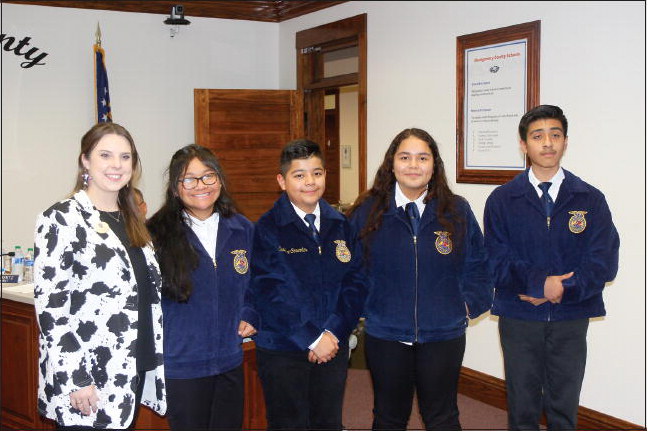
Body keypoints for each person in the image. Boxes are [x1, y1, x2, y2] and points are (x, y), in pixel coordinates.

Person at [483, 105, 620, 430]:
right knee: (523, 405)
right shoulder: (502, 200)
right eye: (538, 136)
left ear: (565, 142)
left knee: (564, 405)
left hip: (571, 317)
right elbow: (494, 260)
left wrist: (561, 290)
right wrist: (539, 286)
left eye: (555, 135)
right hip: (520, 318)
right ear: (523, 144)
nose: (547, 143)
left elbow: (604, 261)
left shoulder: (589, 199)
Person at [347, 127, 493, 430]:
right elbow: (351, 269)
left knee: (442, 415)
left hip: (443, 334)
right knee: (388, 415)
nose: (414, 165)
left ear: (434, 165)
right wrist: (365, 307)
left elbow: (479, 263)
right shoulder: (367, 211)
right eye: (405, 157)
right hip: (386, 333)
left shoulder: (456, 210)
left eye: (422, 158)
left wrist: (466, 305)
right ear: (391, 163)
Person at [33, 122, 166, 429]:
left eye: (125, 157)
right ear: (85, 160)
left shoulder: (132, 219)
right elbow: (52, 311)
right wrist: (76, 377)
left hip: (131, 366)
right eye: (105, 155)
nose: (116, 165)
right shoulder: (61, 219)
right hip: (88, 378)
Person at [250, 139, 368, 430]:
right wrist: (313, 338)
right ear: (282, 180)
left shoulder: (341, 224)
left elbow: (356, 282)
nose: (310, 182)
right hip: (284, 349)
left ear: (325, 175)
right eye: (299, 175)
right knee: (289, 424)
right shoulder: (267, 228)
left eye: (317, 173)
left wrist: (333, 332)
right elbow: (270, 292)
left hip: (333, 346)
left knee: (327, 422)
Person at [147, 144, 258, 430]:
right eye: (189, 179)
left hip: (229, 359)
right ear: (175, 187)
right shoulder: (154, 234)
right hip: (182, 364)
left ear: (220, 180)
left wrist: (251, 311)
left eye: (209, 176)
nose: (201, 186)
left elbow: (260, 282)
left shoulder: (242, 228)